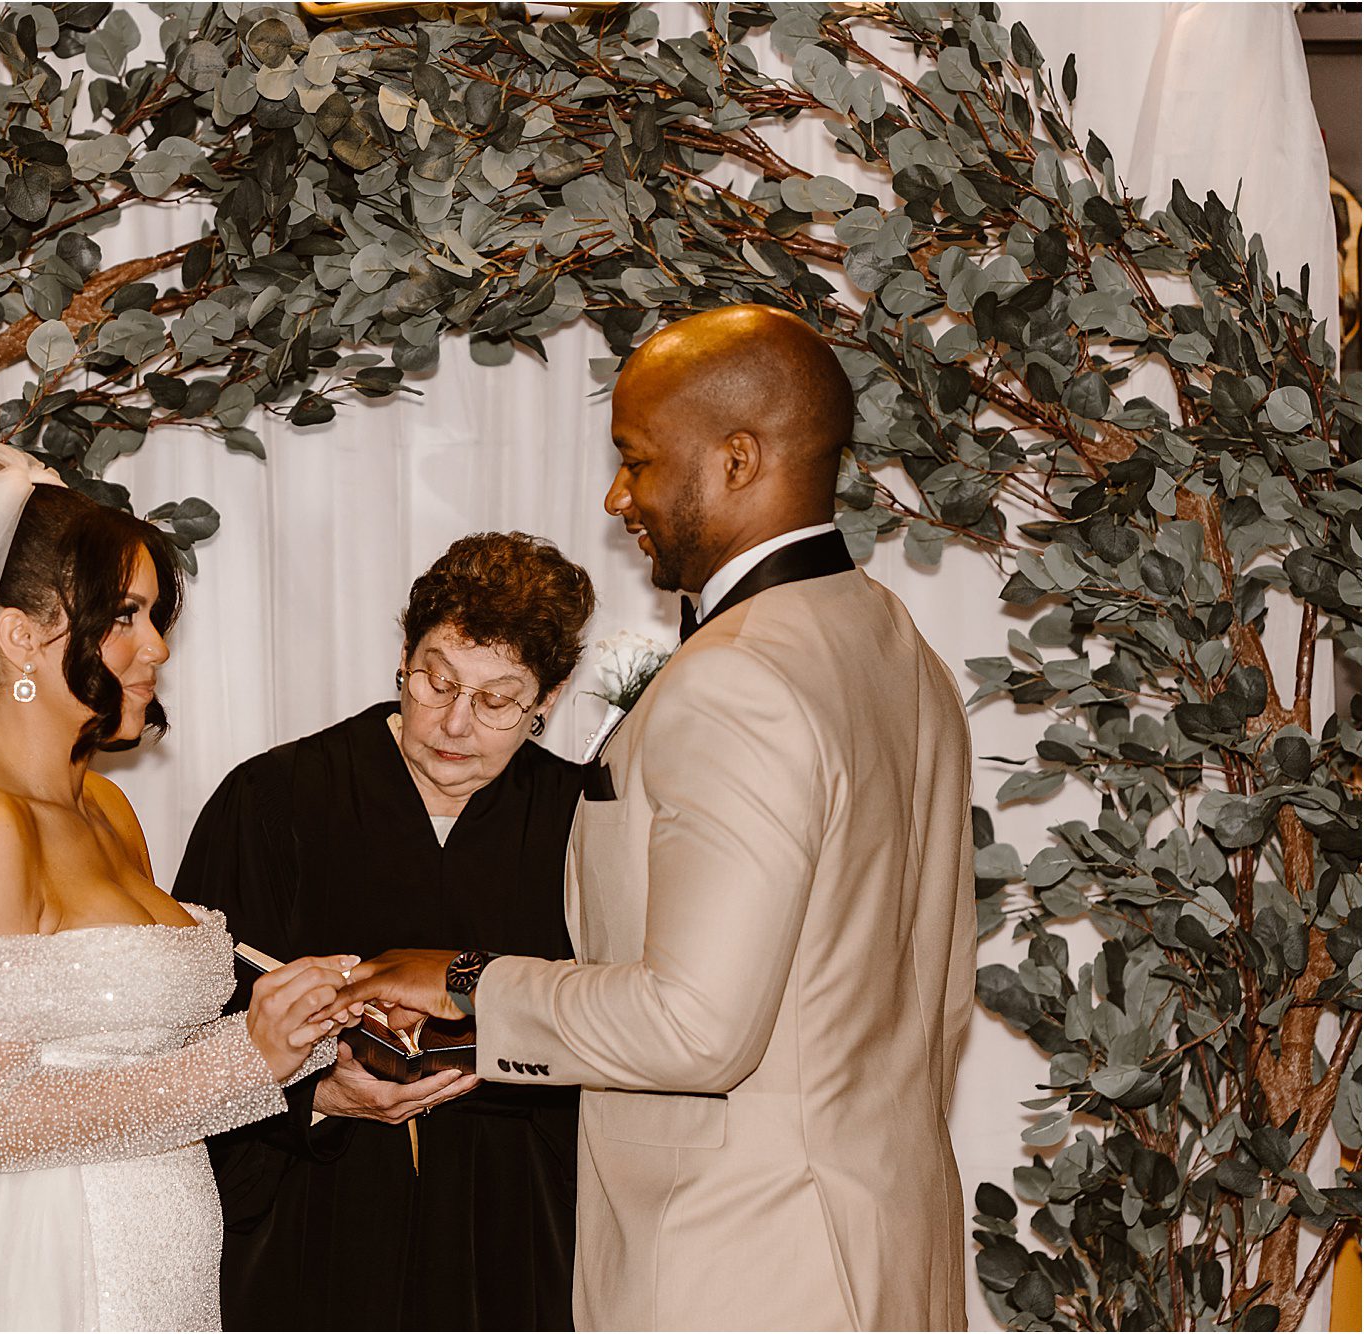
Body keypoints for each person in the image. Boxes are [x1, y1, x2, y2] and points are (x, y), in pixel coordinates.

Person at [337, 306, 977, 1330]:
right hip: (882, 1245)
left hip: (745, 1264)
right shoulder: (893, 647)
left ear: (734, 458)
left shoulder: (738, 679)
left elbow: (696, 1029)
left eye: (635, 458)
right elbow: (925, 994)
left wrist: (463, 980)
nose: (615, 493)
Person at [0, 431, 361, 1331]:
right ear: (17, 637)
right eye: (124, 617)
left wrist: (314, 1049)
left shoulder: (110, 815)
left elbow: (143, 1060)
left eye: (156, 617)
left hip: (160, 1250)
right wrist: (249, 1060)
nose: (156, 648)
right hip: (34, 1265)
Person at [177, 532, 595, 1331]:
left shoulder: (584, 820)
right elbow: (190, 1026)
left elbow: (627, 1020)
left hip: (523, 1227)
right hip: (314, 1213)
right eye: (435, 681)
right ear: (403, 652)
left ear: (551, 695)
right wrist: (315, 1094)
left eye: (498, 699)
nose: (455, 723)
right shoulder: (273, 798)